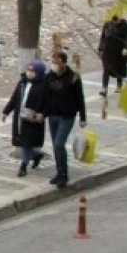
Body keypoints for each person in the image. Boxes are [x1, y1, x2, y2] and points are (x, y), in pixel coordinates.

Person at [40, 51, 87, 187]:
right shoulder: (49, 77)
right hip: (52, 115)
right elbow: (46, 97)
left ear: (64, 63)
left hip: (67, 116)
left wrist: (83, 117)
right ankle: (59, 172)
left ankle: (64, 174)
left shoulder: (73, 78)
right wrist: (43, 113)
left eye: (57, 62)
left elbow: (80, 98)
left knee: (60, 144)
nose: (54, 64)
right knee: (55, 145)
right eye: (53, 61)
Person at [2, 60, 49, 177]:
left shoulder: (44, 85)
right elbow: (14, 98)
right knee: (22, 142)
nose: (29, 73)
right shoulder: (23, 82)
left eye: (32, 71)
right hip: (20, 117)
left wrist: (42, 114)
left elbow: (48, 103)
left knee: (27, 142)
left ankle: (23, 166)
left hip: (33, 119)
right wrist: (6, 111)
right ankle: (36, 156)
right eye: (28, 70)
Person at [99, 13, 127, 96]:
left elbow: (126, 37)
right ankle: (104, 88)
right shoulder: (107, 24)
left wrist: (125, 48)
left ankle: (119, 85)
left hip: (119, 50)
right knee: (106, 69)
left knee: (119, 68)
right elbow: (103, 38)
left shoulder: (123, 24)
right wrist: (100, 49)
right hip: (108, 50)